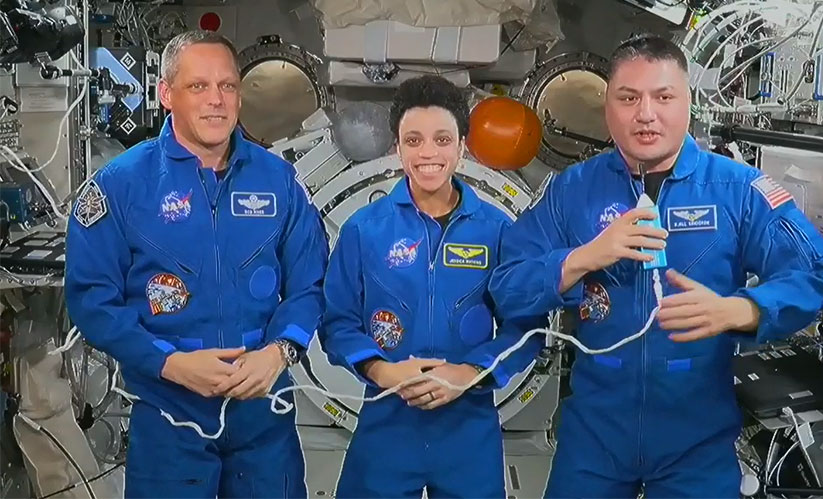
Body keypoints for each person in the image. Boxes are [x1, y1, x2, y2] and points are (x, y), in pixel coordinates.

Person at [489, 34, 823, 498]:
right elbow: (508, 284)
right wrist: (580, 259)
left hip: (696, 434)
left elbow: (811, 271)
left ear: (687, 102)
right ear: (607, 105)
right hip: (595, 435)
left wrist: (743, 310)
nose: (645, 114)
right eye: (628, 98)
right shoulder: (571, 191)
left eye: (663, 96)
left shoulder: (736, 189)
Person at [64, 30, 328, 498]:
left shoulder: (278, 181)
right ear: (166, 94)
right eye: (198, 87)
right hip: (169, 418)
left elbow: (313, 282)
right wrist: (171, 365)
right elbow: (92, 301)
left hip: (263, 417)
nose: (216, 101)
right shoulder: (120, 187)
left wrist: (280, 352)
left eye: (227, 86)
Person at [319, 74, 545, 498]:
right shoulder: (364, 230)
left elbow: (526, 328)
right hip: (387, 424)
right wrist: (382, 370)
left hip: (468, 427)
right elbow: (337, 322)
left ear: (462, 146)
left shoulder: (496, 230)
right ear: (397, 147)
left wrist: (469, 372)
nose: (428, 153)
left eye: (443, 139)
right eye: (414, 140)